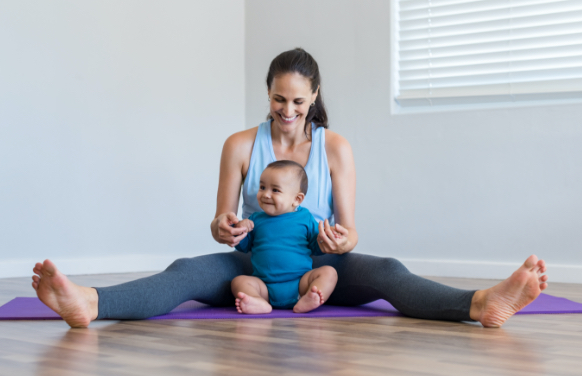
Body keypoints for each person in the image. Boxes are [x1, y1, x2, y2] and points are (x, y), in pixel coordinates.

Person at [31, 48, 548, 329]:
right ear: (268, 94)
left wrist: (339, 243)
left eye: (299, 101)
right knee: (186, 271)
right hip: (253, 264)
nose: (288, 111)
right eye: (279, 99)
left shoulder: (335, 147)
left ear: (314, 96)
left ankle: (482, 304)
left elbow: (349, 233)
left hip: (317, 267)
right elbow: (220, 225)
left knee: (389, 271)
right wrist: (224, 227)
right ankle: (90, 303)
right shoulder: (238, 144)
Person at [231, 160, 338, 314]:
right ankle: (257, 301)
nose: (266, 194)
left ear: (297, 199)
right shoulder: (255, 220)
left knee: (329, 272)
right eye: (262, 187)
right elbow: (243, 247)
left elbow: (317, 248)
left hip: (301, 283)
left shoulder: (305, 218)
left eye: (275, 190)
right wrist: (240, 229)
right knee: (238, 281)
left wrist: (325, 238)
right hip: (264, 286)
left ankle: (311, 297)